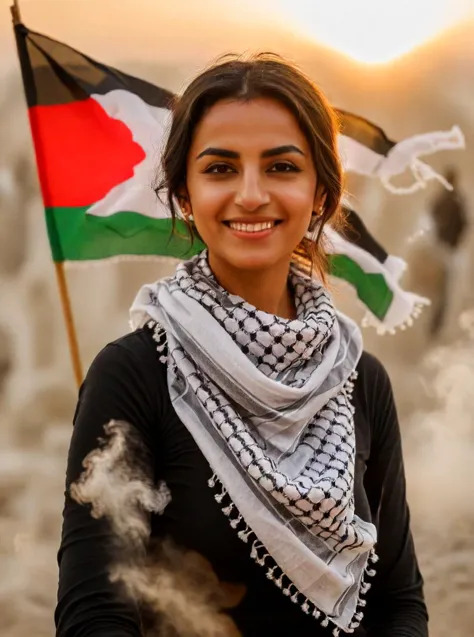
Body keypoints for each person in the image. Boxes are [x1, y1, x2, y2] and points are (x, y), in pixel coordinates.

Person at [55, 54, 428, 636]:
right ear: (183, 194)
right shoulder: (134, 375)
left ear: (321, 194)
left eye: (281, 167)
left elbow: (398, 602)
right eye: (221, 169)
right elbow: (95, 613)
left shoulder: (359, 379)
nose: (251, 195)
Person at [428, 167, 468, 336]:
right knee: (442, 292)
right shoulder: (457, 202)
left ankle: (430, 326)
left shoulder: (439, 200)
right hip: (447, 251)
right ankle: (434, 327)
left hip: (437, 249)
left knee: (433, 289)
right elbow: (465, 225)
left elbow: (430, 220)